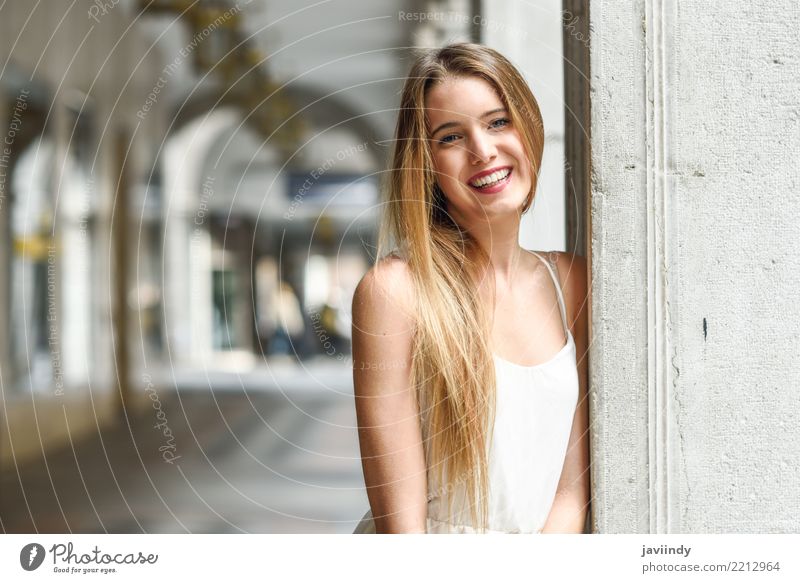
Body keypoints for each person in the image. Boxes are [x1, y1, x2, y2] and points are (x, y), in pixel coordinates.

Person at [351, 43, 590, 534]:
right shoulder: (395, 293)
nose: (483, 151)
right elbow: (402, 532)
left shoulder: (572, 282)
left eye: (498, 122)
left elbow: (570, 495)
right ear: (426, 165)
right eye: (451, 136)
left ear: (529, 128)